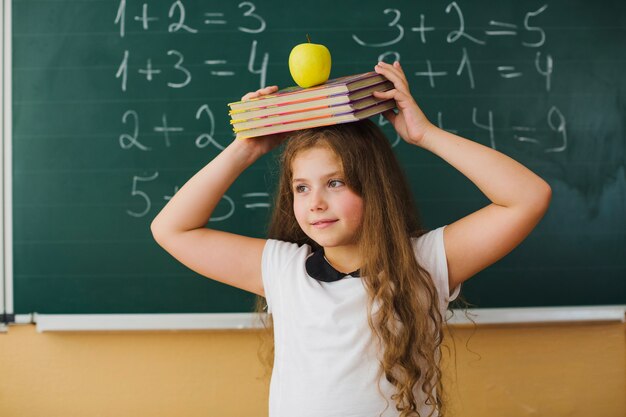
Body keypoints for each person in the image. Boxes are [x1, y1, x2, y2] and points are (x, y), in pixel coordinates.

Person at [150, 61, 552, 417]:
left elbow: (527, 198)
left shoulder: (424, 262)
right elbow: (171, 229)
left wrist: (425, 135)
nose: (316, 203)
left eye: (335, 182)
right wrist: (244, 149)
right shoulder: (283, 269)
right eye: (302, 188)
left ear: (372, 187)